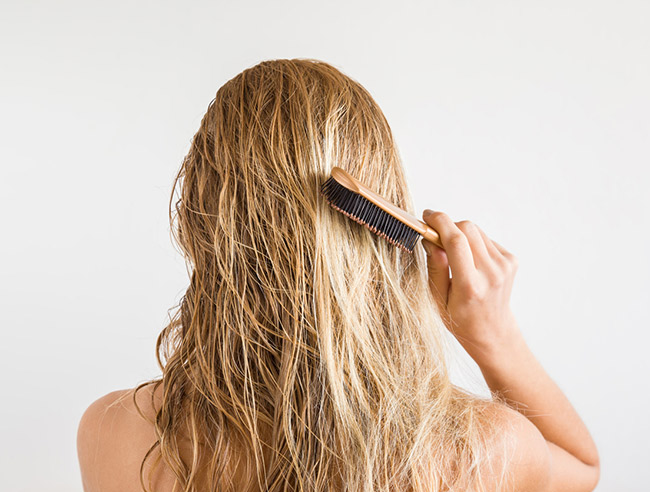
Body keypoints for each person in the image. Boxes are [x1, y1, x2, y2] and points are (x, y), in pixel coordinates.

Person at [76, 58, 600, 492]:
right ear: (385, 222)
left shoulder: (118, 433)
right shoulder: (484, 453)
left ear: (197, 220)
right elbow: (584, 468)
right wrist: (493, 333)